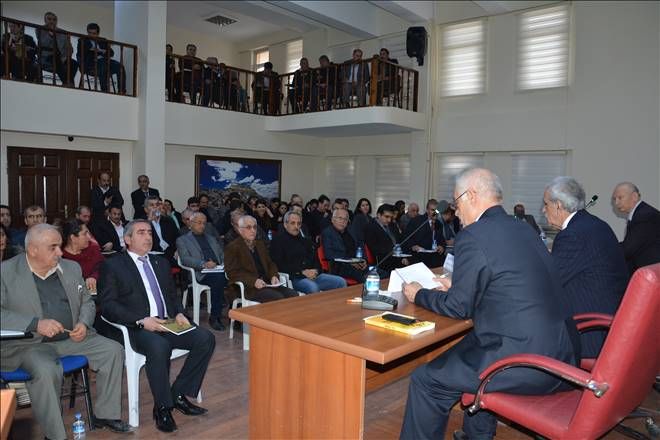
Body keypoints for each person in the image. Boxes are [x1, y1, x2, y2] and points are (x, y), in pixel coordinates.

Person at [399, 168, 578, 440]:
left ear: (470, 196)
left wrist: (419, 294)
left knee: (427, 380)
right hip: (563, 354)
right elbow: (509, 283)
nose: (456, 213)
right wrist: (458, 286)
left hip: (525, 362)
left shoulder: (473, 235)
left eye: (457, 204)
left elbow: (459, 308)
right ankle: (478, 435)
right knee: (469, 354)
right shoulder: (523, 228)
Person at [1, 224, 131, 439]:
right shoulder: (5, 272)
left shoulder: (71, 268)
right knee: (45, 369)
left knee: (113, 350)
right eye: (53, 248)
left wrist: (83, 323)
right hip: (31, 345)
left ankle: (106, 414)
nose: (60, 252)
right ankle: (54, 435)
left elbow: (87, 302)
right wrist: (35, 323)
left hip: (72, 337)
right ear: (33, 250)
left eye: (60, 246)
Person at [99, 220, 215, 433]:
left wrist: (180, 312)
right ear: (127, 239)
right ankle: (162, 407)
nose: (148, 237)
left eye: (150, 232)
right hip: (137, 327)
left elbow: (172, 295)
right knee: (159, 346)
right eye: (141, 233)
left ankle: (178, 394)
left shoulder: (160, 262)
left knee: (205, 338)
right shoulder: (113, 265)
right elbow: (107, 305)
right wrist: (141, 320)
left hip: (167, 322)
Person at [543, 177, 628, 358]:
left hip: (588, 336)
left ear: (558, 205)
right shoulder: (596, 224)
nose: (543, 210)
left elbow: (546, 285)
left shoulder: (572, 235)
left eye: (546, 204)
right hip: (610, 326)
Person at [224, 215, 298, 303]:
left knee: (293, 294)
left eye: (255, 227)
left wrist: (273, 275)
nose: (253, 230)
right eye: (248, 227)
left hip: (267, 284)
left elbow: (270, 263)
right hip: (248, 288)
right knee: (277, 297)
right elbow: (232, 272)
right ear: (240, 230)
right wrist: (253, 281)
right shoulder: (233, 247)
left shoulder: (260, 244)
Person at [270, 211, 346, 294]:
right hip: (295, 278)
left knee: (340, 282)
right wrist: (302, 272)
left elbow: (317, 262)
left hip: (313, 276)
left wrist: (315, 271)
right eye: (293, 223)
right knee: (312, 287)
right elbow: (279, 265)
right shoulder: (278, 241)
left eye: (299, 224)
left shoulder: (306, 241)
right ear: (285, 224)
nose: (296, 226)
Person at [176, 212, 227, 331]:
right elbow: (185, 259)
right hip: (201, 272)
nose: (202, 226)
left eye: (204, 223)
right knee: (219, 279)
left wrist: (224, 263)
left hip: (218, 269)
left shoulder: (211, 238)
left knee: (234, 276)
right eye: (199, 223)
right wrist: (203, 264)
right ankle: (215, 317)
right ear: (191, 224)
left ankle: (237, 315)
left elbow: (221, 254)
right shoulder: (183, 240)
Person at [321, 208, 382, 283]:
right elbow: (329, 254)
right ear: (333, 219)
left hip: (357, 263)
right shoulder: (327, 233)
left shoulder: (351, 231)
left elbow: (360, 246)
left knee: (381, 273)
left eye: (345, 219)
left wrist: (363, 260)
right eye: (340, 218)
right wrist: (350, 261)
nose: (343, 221)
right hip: (340, 266)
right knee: (368, 279)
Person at [611, 182, 660, 275]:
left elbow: (627, 249)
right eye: (614, 199)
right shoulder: (642, 213)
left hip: (650, 276)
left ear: (634, 196)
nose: (616, 203)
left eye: (620, 198)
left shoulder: (644, 216)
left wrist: (603, 249)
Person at [77, 23, 126, 93]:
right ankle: (104, 90)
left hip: (104, 61)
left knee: (120, 66)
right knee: (102, 63)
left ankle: (122, 91)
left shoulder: (103, 40)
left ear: (98, 33)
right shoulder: (82, 40)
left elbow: (111, 53)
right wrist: (95, 51)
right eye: (89, 33)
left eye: (94, 33)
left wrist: (103, 51)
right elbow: (80, 53)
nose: (91, 35)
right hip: (90, 64)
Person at [61, 219, 105, 294]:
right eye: (85, 234)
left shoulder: (93, 249)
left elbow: (104, 266)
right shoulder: (62, 258)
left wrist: (94, 276)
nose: (89, 237)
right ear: (73, 238)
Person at [36, 12, 78, 86]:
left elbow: (69, 47)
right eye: (49, 19)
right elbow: (42, 43)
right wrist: (50, 35)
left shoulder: (63, 32)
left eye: (54, 19)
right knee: (56, 58)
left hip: (62, 57)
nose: (52, 21)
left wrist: (67, 56)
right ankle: (67, 83)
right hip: (46, 56)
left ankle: (68, 83)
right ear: (45, 20)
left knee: (74, 63)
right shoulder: (40, 29)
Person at [364, 203, 409, 272]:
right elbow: (374, 249)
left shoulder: (392, 225)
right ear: (379, 215)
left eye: (391, 217)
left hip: (396, 257)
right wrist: (393, 252)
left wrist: (402, 257)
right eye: (386, 217)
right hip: (382, 260)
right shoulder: (371, 227)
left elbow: (399, 241)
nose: (389, 220)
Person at [404, 199, 446, 268]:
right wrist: (413, 246)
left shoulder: (439, 224)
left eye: (437, 210)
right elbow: (406, 238)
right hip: (420, 256)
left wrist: (441, 246)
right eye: (433, 210)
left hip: (435, 257)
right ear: (427, 210)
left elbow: (442, 240)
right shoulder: (417, 221)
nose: (435, 212)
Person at [141, 196, 179, 263]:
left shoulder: (168, 221)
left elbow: (178, 238)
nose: (155, 207)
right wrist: (149, 221)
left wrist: (178, 250)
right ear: (146, 209)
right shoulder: (141, 223)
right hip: (152, 257)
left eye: (157, 204)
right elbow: (140, 241)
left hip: (170, 256)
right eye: (152, 205)